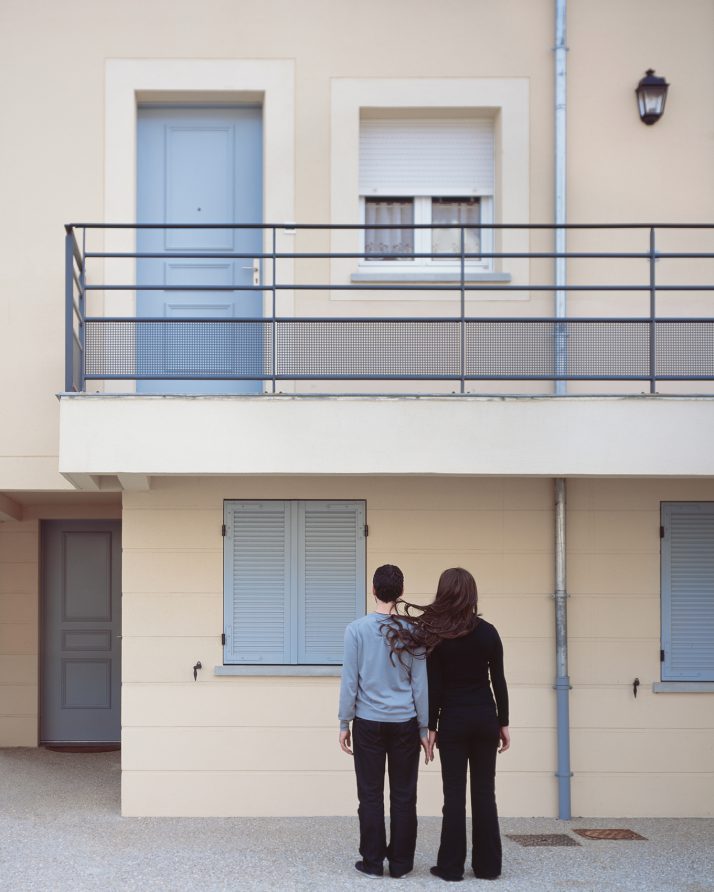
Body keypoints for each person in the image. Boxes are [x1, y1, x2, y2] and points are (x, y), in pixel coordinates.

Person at [384, 567, 510, 882]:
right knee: (485, 793)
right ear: (471, 594)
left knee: (453, 795)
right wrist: (503, 722)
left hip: (453, 720)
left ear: (444, 594)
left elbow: (434, 686)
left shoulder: (437, 636)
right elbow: (499, 681)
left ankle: (451, 868)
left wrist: (431, 725)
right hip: (484, 719)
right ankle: (488, 867)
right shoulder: (489, 632)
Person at [338, 564, 430, 879]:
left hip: (367, 722)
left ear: (373, 590)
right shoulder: (413, 631)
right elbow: (420, 683)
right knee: (405, 794)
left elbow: (350, 681)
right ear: (400, 592)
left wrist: (343, 722)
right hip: (405, 721)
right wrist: (424, 726)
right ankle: (402, 864)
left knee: (371, 793)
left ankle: (373, 862)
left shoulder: (356, 630)